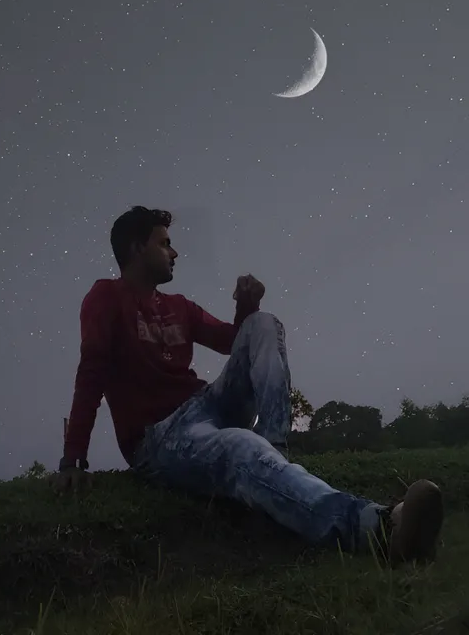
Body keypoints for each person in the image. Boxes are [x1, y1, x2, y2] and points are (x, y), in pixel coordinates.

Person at [52, 205, 444, 565]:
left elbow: (233, 341)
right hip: (159, 437)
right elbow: (92, 372)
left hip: (206, 404)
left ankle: (274, 449)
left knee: (263, 324)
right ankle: (378, 531)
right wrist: (73, 457)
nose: (175, 253)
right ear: (137, 248)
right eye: (165, 244)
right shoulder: (105, 297)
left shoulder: (179, 306)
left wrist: (246, 306)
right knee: (239, 448)